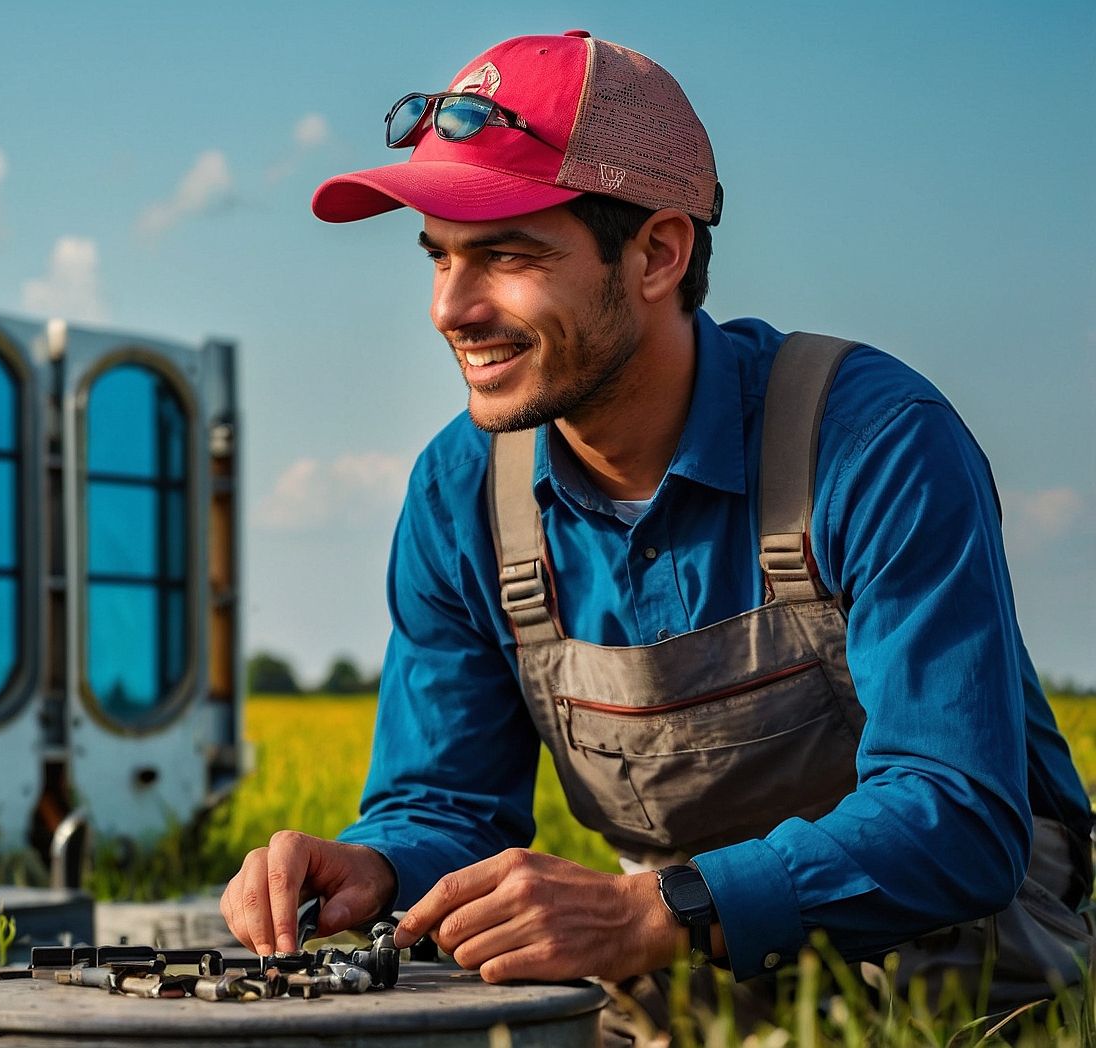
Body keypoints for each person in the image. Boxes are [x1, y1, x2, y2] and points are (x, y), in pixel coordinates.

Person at [219, 29, 1095, 1034]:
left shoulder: (870, 441)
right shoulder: (461, 491)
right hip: (681, 968)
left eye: (504, 255)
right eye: (439, 258)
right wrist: (373, 865)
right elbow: (449, 804)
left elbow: (955, 815)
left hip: (957, 969)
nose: (450, 308)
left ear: (657, 253)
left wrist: (653, 907)